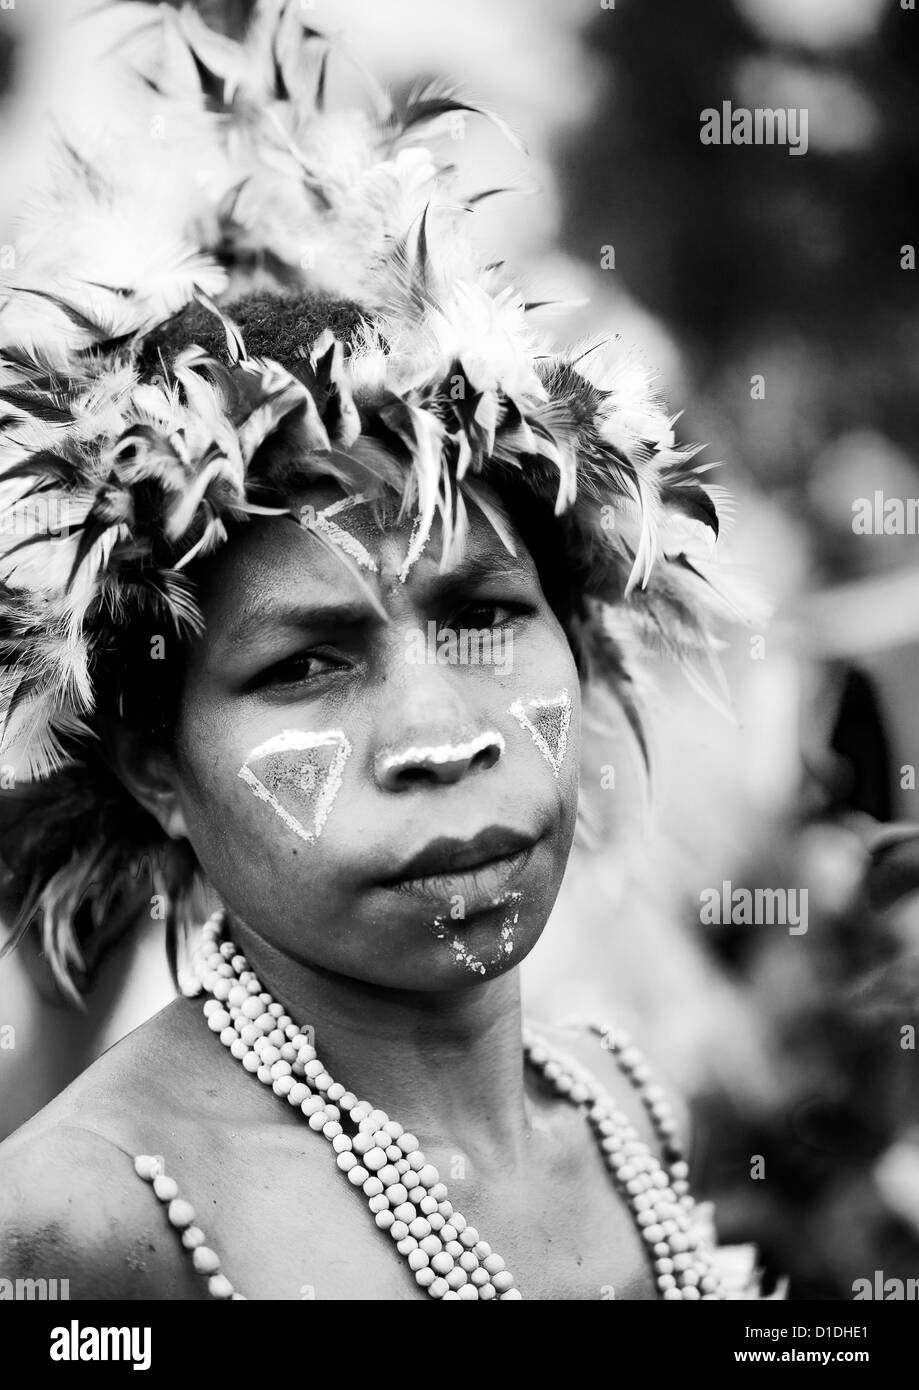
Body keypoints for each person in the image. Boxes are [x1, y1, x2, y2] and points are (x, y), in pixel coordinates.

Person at [0, 1, 745, 1300]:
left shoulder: (628, 1108)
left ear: (581, 639)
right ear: (155, 768)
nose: (442, 733)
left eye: (487, 617)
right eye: (305, 664)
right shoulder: (82, 1223)